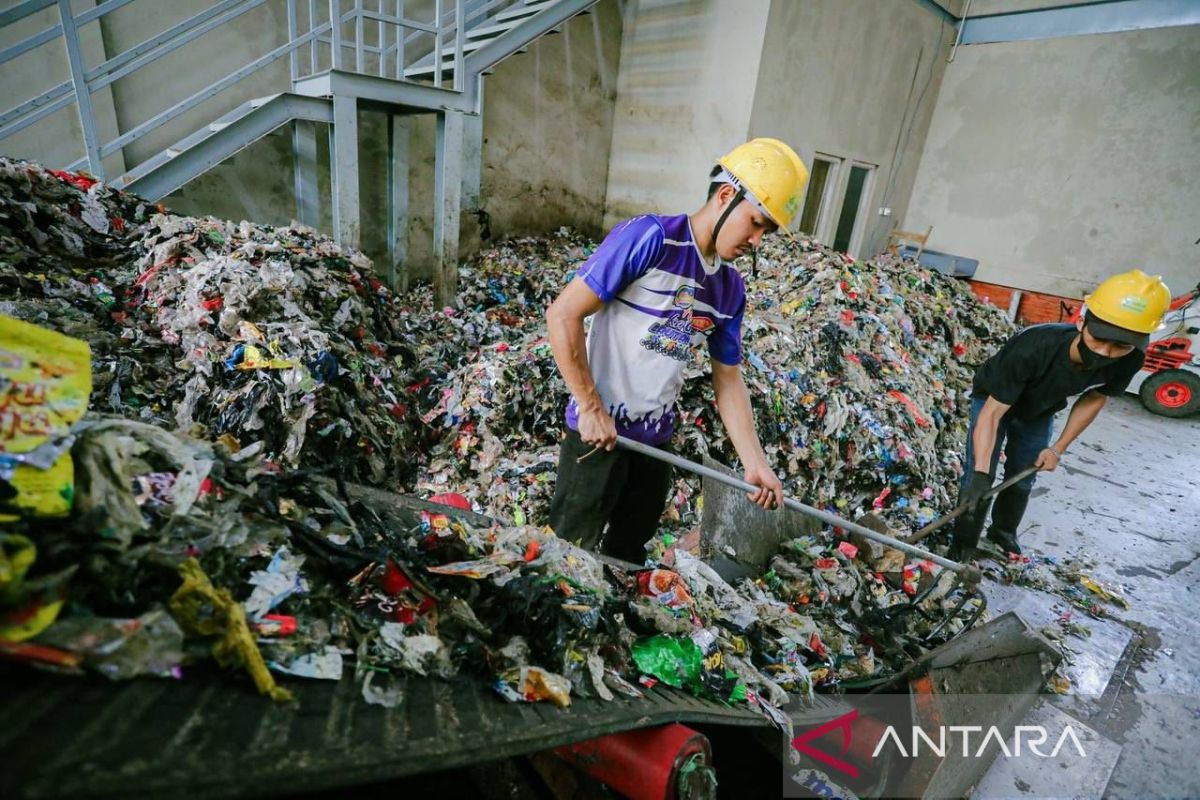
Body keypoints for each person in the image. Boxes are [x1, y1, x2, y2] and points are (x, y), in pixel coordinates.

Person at [544, 138, 809, 563]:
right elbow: (563, 315)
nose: (757, 240)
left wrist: (755, 462)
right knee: (567, 558)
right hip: (597, 439)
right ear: (726, 195)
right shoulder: (651, 238)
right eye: (756, 223)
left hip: (654, 447)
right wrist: (589, 407)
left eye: (766, 232)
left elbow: (728, 379)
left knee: (627, 559)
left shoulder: (729, 289)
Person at [948, 270, 1171, 560]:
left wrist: (1057, 448)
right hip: (995, 399)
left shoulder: (1130, 359)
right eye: (1100, 339)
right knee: (978, 479)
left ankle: (1002, 532)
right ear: (1081, 322)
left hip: (1040, 408)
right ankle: (962, 546)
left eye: (1121, 345)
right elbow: (991, 414)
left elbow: (1096, 397)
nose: (1106, 352)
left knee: (1023, 475)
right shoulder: (1033, 346)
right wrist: (980, 474)